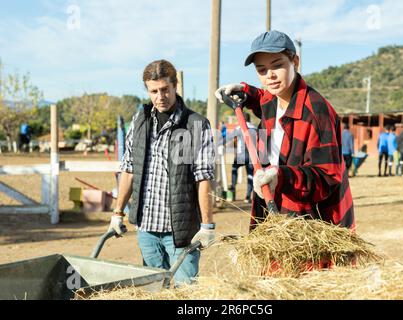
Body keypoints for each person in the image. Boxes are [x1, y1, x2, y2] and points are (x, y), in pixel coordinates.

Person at [215, 30, 354, 230]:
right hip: (276, 217)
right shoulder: (273, 99)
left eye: (277, 65)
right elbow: (262, 98)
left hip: (313, 225)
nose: (269, 76)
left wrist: (281, 177)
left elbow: (326, 177)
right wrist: (245, 91)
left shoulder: (316, 112)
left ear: (295, 62)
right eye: (261, 70)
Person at [109, 59, 216, 286]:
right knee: (153, 289)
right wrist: (117, 212)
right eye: (154, 91)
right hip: (146, 229)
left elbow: (203, 177)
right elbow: (128, 169)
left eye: (165, 89)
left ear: (175, 85)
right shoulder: (140, 121)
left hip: (180, 231)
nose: (160, 96)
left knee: (185, 290)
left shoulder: (195, 124)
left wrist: (207, 225)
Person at [222, 112, 256, 203]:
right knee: (250, 175)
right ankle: (248, 196)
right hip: (252, 156)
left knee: (234, 169)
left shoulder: (238, 128)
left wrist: (219, 144)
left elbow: (228, 138)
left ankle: (232, 189)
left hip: (241, 155)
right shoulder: (254, 128)